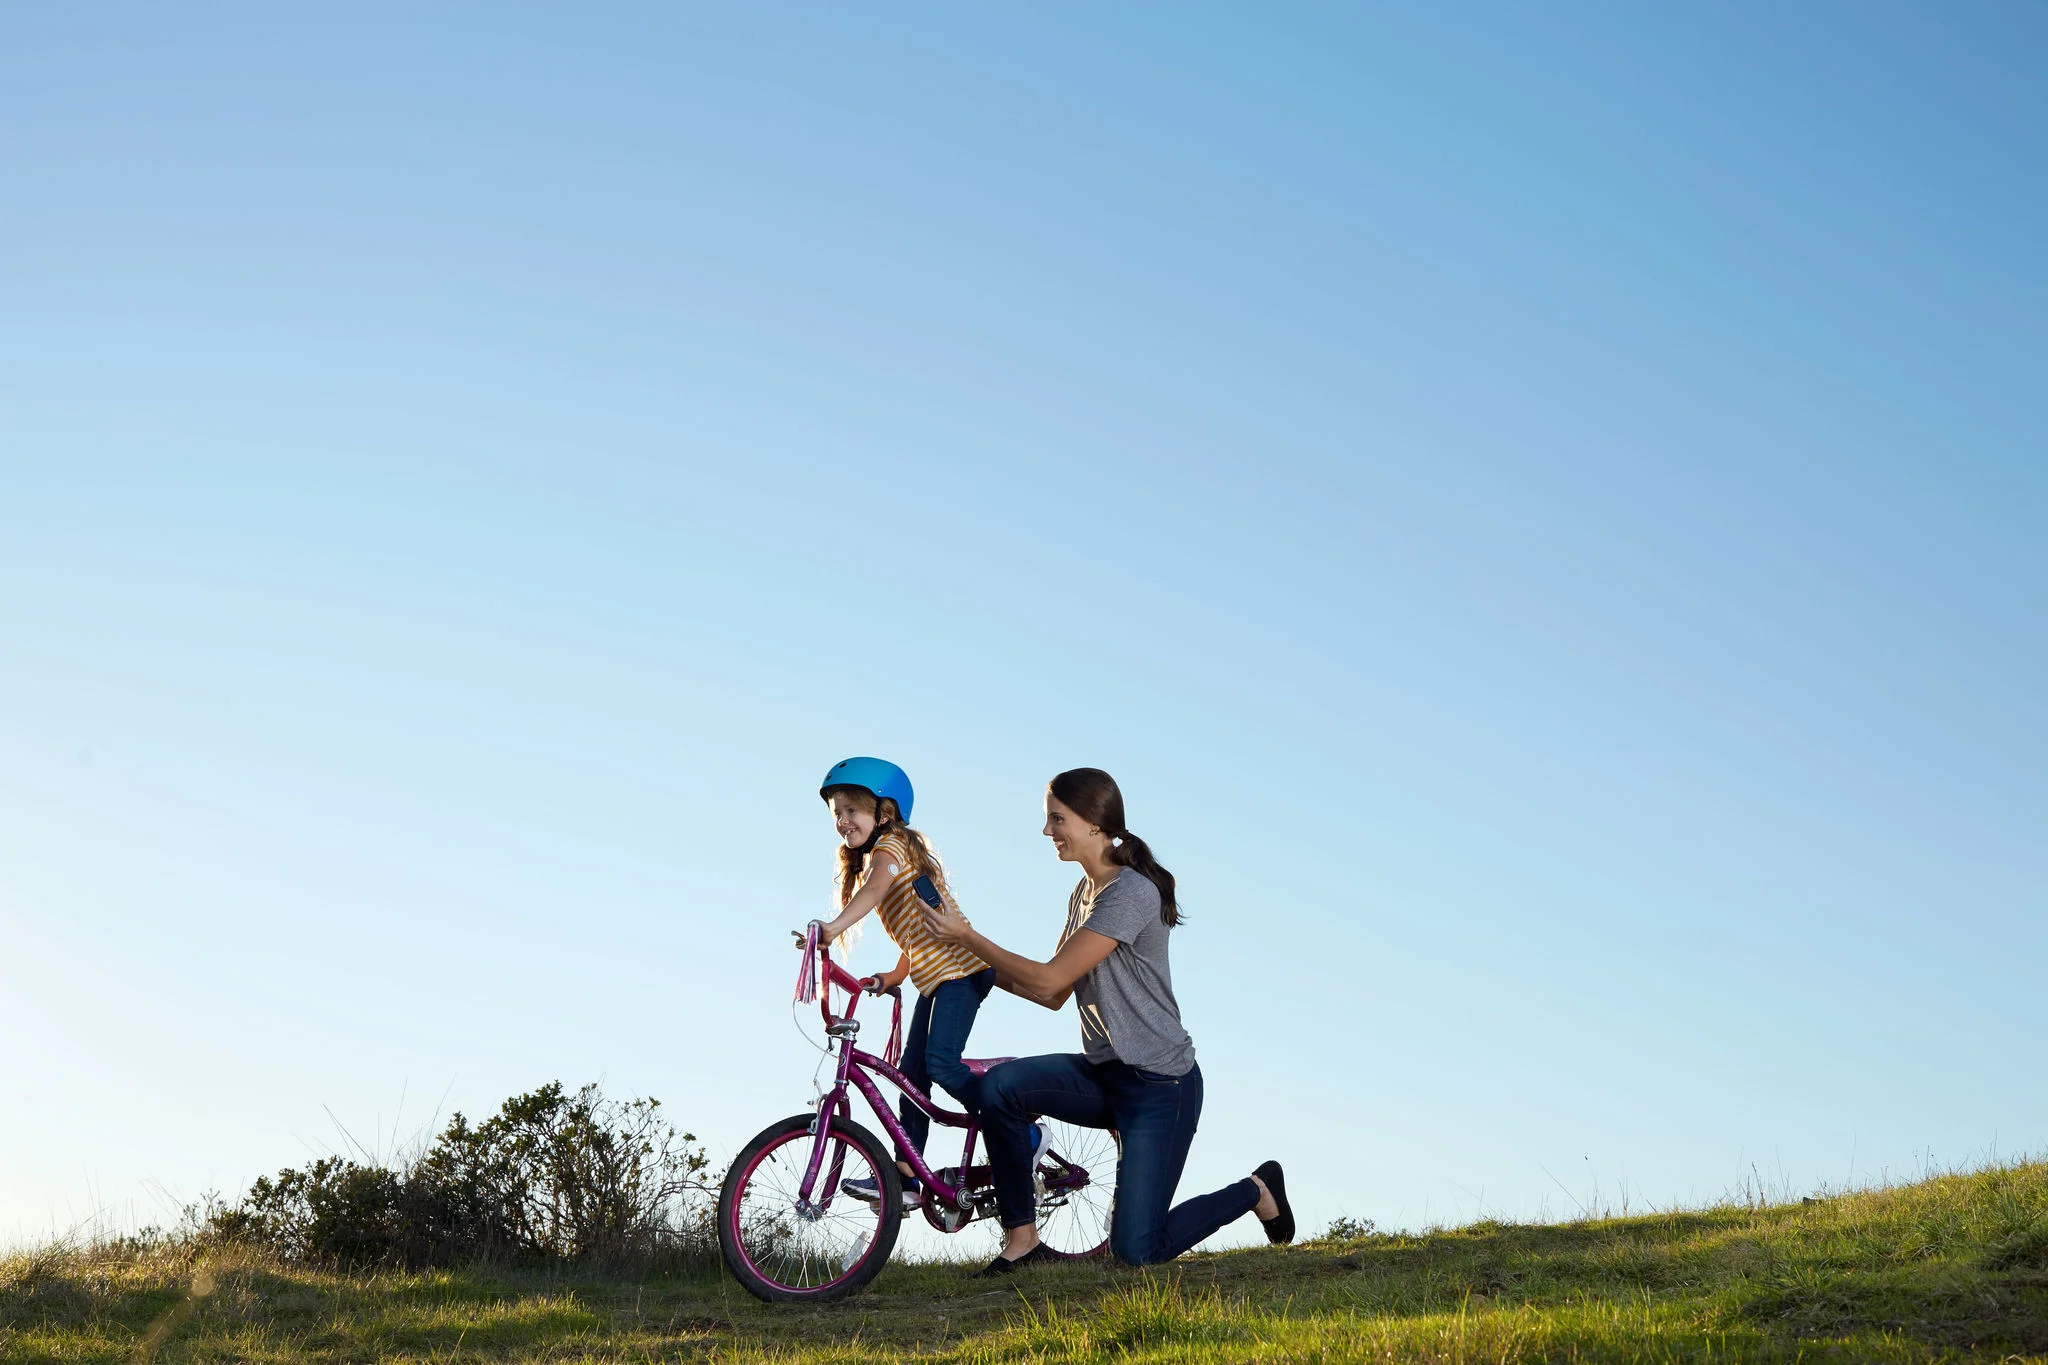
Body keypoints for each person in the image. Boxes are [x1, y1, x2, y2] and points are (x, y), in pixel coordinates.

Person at [924, 766, 1294, 1274]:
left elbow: (1051, 980)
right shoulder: (1083, 894)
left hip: (1161, 1087)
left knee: (1137, 1252)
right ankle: (1023, 1238)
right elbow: (1052, 994)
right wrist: (973, 966)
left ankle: (1255, 1190)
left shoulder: (1131, 893)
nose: (1047, 831)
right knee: (1000, 1089)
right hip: (1104, 1075)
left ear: (1094, 823)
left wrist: (970, 939)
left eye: (1057, 819)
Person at [809, 757, 996, 1212]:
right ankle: (908, 1177)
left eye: (852, 810)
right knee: (912, 1076)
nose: (843, 821)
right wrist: (894, 977)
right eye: (837, 812)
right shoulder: (888, 857)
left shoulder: (892, 849)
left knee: (940, 1065)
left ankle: (1012, 1122)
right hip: (936, 978)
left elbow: (872, 893)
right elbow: (918, 932)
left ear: (885, 814)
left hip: (962, 971)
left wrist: (832, 928)